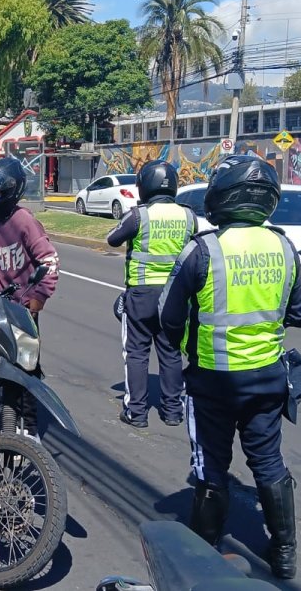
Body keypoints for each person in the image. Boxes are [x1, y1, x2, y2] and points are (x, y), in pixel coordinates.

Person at [158, 155, 301, 580]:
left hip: (213, 384)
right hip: (267, 378)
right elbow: (296, 310)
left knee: (210, 466)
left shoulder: (203, 248)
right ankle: (284, 554)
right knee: (269, 462)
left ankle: (204, 552)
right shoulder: (284, 246)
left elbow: (169, 318)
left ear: (222, 197)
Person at [106, 160, 196, 428]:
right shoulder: (188, 215)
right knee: (170, 352)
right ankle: (172, 411)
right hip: (175, 296)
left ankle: (137, 412)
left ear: (145, 186)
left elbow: (112, 239)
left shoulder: (139, 215)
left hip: (142, 294)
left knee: (136, 352)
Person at [0, 158, 59, 438]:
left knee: (26, 372)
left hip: (21, 312)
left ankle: (29, 430)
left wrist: (38, 297)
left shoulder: (24, 222)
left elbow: (49, 261)